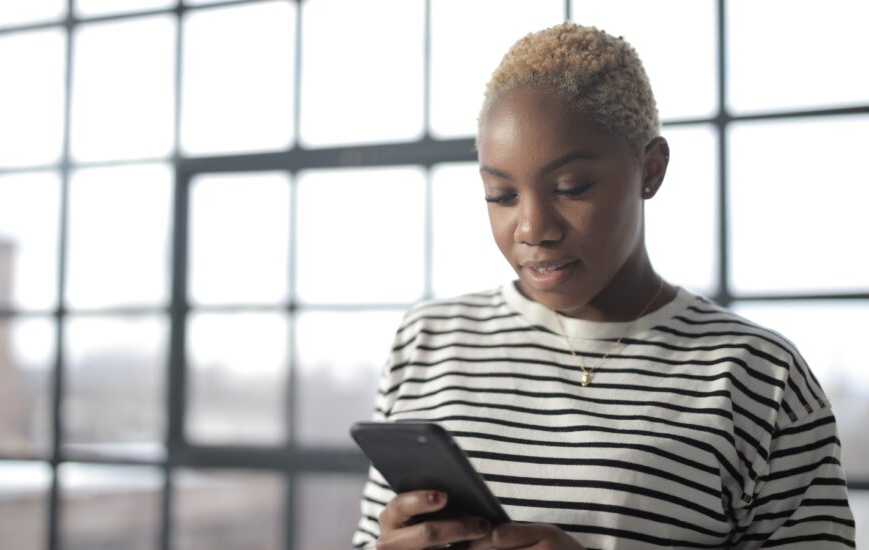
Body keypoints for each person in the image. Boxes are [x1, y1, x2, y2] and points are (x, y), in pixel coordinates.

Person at [352, 22, 855, 550]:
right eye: (500, 195)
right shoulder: (429, 339)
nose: (532, 229)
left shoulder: (758, 376)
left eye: (570, 187)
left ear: (650, 169)